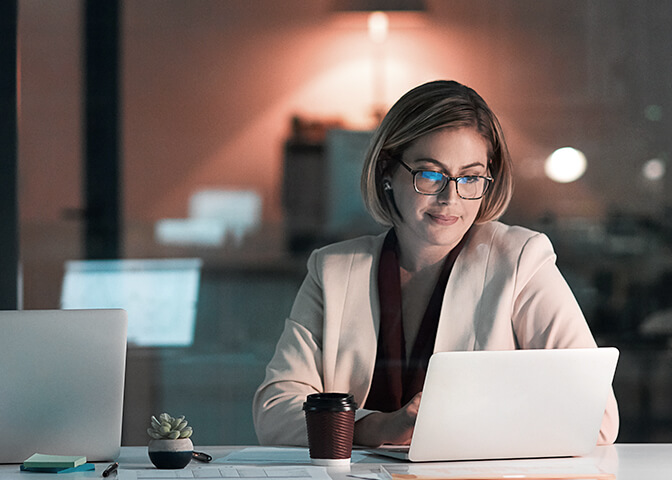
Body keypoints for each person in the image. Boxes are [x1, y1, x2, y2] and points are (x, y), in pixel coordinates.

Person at [253, 80, 619, 447]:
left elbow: (597, 418)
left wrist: (451, 429)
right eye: (430, 174)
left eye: (471, 177)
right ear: (387, 172)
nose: (451, 197)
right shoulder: (332, 270)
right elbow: (274, 411)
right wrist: (375, 428)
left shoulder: (521, 260)